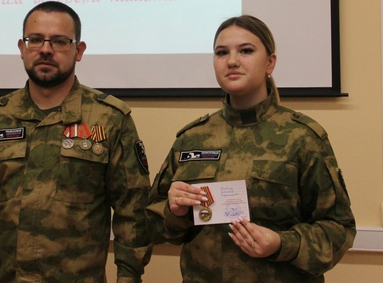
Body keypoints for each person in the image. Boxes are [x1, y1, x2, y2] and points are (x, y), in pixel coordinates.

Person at [0, 1, 153, 283]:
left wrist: (128, 277)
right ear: (22, 48)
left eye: (60, 41)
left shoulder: (110, 120)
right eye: (35, 39)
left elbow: (133, 213)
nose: (46, 49)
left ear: (79, 50)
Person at [146, 15, 355, 282]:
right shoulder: (192, 139)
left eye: (245, 51)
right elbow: (153, 226)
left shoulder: (302, 137)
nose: (232, 61)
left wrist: (281, 244)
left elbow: (339, 229)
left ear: (270, 63)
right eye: (222, 52)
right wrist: (174, 212)